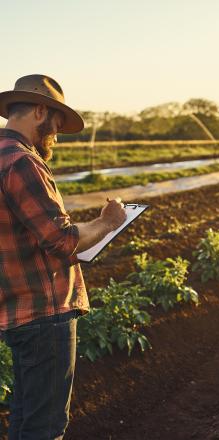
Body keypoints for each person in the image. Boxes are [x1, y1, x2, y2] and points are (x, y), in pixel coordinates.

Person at [0, 74, 127, 440]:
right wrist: (108, 222)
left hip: (17, 309)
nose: (55, 133)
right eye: (55, 124)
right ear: (40, 111)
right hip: (45, 312)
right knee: (46, 428)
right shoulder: (22, 162)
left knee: (25, 421)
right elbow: (62, 239)